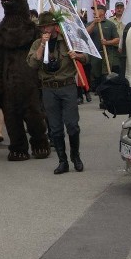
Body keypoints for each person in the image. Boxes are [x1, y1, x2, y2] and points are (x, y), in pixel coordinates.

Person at [27, 12, 88, 174]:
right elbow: (33, 63)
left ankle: (75, 155)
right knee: (55, 128)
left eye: (47, 26)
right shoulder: (37, 43)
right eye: (42, 27)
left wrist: (78, 55)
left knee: (72, 125)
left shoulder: (67, 41)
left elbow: (86, 58)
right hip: (48, 88)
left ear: (55, 26)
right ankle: (63, 161)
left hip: (67, 86)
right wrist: (42, 45)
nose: (45, 29)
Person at [86, 4, 120, 85]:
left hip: (107, 55)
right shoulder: (90, 23)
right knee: (94, 74)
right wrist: (94, 23)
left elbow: (117, 40)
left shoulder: (110, 24)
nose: (94, 12)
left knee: (105, 74)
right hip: (94, 55)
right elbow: (85, 33)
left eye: (96, 10)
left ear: (102, 12)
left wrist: (107, 42)